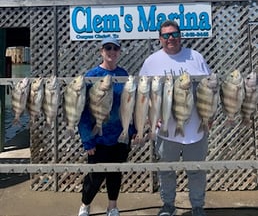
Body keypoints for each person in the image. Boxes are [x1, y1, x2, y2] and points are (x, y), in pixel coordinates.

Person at [139, 20, 211, 216]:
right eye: (166, 35)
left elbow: (209, 91)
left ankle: (197, 207)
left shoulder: (195, 57)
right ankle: (168, 205)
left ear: (180, 35)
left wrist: (209, 116)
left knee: (196, 170)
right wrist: (148, 119)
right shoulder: (151, 62)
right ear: (160, 39)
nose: (170, 38)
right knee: (166, 170)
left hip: (195, 130)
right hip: (166, 131)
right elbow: (142, 96)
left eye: (174, 34)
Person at [77, 37, 134, 216]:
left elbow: (129, 107)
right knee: (94, 175)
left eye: (115, 48)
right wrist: (87, 140)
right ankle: (85, 205)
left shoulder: (124, 75)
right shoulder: (91, 76)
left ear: (119, 52)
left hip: (119, 136)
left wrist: (131, 131)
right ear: (101, 51)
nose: (111, 51)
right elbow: (83, 111)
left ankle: (113, 207)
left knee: (115, 174)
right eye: (108, 48)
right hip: (97, 137)